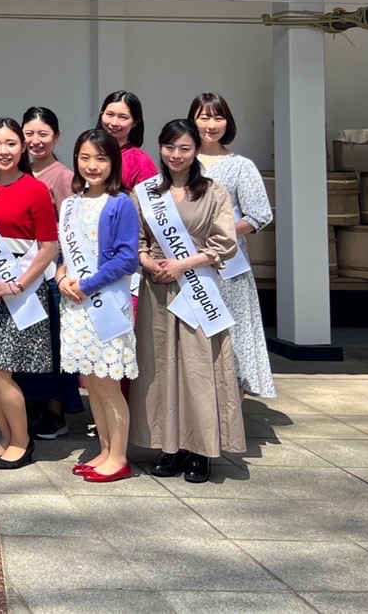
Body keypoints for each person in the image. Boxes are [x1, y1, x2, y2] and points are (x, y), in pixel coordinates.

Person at [132, 119, 246, 484]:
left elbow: (224, 243)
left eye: (184, 148)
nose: (176, 155)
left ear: (196, 150)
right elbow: (136, 240)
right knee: (160, 367)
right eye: (169, 147)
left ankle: (200, 449)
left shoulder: (214, 192)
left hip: (196, 288)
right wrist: (147, 261)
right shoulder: (145, 192)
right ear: (160, 147)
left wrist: (183, 264)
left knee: (197, 368)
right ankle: (169, 446)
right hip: (157, 289)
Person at [0, 118, 59, 470]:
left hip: (22, 292)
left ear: (22, 148)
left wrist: (15, 284)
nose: (3, 151)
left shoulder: (35, 189)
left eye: (11, 144)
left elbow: (49, 247)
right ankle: (5, 435)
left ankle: (21, 440)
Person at [55, 129, 140, 482]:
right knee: (91, 383)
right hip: (76, 306)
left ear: (113, 162)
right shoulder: (70, 203)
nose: (92, 165)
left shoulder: (121, 202)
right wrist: (61, 277)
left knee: (108, 385)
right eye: (85, 157)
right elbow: (63, 254)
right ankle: (104, 450)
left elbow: (127, 258)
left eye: (101, 158)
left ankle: (118, 457)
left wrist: (87, 285)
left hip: (106, 306)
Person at [192, 93, 277, 401]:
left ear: (228, 122)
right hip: (188, 265)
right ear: (192, 121)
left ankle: (231, 415)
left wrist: (217, 232)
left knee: (233, 339)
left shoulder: (241, 166)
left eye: (218, 117)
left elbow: (259, 215)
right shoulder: (181, 161)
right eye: (204, 117)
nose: (211, 124)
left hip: (229, 269)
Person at [17, 106, 82, 441]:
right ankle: (31, 404)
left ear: (56, 137)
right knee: (29, 342)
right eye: (29, 133)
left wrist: (64, 270)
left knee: (56, 342)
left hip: (53, 272)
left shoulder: (64, 177)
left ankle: (56, 411)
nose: (35, 140)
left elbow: (71, 231)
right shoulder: (17, 172)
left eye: (43, 134)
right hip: (21, 272)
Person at [97, 91, 157, 192]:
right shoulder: (90, 152)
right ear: (101, 115)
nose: (114, 123)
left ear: (135, 122)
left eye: (123, 117)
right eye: (110, 114)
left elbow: (151, 200)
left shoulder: (141, 163)